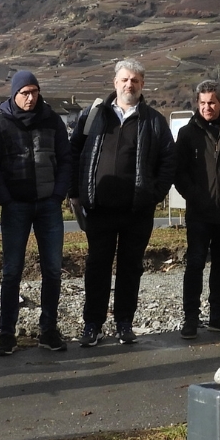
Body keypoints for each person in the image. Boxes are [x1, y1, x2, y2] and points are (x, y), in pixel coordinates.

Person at [70, 60, 175, 347]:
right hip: (99, 208)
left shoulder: (154, 120)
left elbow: (168, 161)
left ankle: (124, 323)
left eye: (136, 81)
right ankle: (92, 324)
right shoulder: (93, 116)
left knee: (130, 268)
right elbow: (74, 152)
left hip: (136, 211)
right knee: (97, 267)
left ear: (143, 85)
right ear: (115, 82)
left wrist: (154, 194)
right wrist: (75, 192)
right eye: (125, 80)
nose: (130, 85)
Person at [0, 70, 73, 353]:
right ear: (14, 94)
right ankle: (6, 333)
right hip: (16, 206)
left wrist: (58, 195)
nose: (30, 98)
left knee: (53, 270)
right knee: (11, 271)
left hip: (48, 204)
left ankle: (48, 330)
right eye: (25, 93)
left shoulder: (52, 120)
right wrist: (6, 199)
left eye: (34, 92)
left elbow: (66, 159)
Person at [173, 80, 220, 339]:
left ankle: (218, 316)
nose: (207, 107)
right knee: (194, 264)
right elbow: (179, 172)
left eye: (212, 102)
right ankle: (190, 319)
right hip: (199, 212)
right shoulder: (187, 133)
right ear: (197, 102)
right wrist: (194, 197)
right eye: (203, 103)